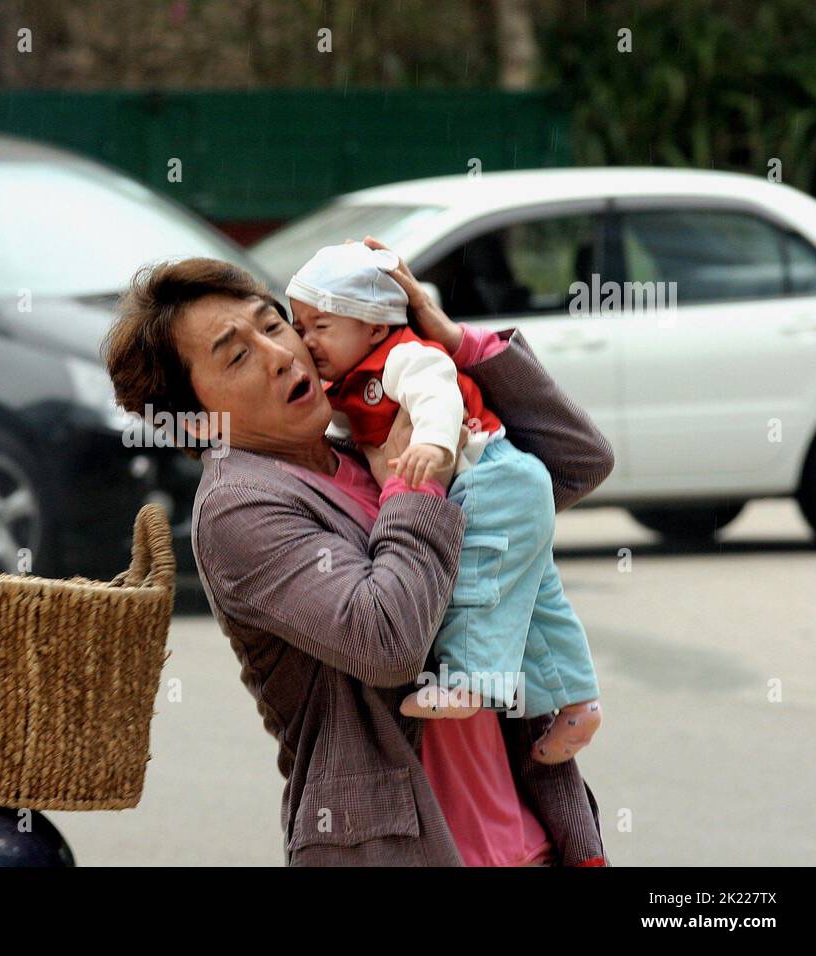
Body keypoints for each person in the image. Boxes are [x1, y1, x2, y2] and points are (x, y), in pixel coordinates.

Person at [102, 240, 613, 865]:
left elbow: (576, 459)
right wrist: (417, 480)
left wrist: (452, 341)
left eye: (273, 324)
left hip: (535, 838)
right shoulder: (239, 510)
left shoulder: (363, 441)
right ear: (198, 423)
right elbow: (385, 640)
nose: (280, 354)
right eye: (237, 356)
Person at [286, 241, 602, 765]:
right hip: (509, 483)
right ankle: (577, 699)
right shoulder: (344, 383)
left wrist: (432, 441)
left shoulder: (403, 355)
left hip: (491, 474)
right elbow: (343, 432)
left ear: (373, 325)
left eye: (322, 325)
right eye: (300, 326)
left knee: (478, 577)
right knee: (535, 594)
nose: (307, 339)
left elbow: (438, 393)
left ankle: (467, 683)